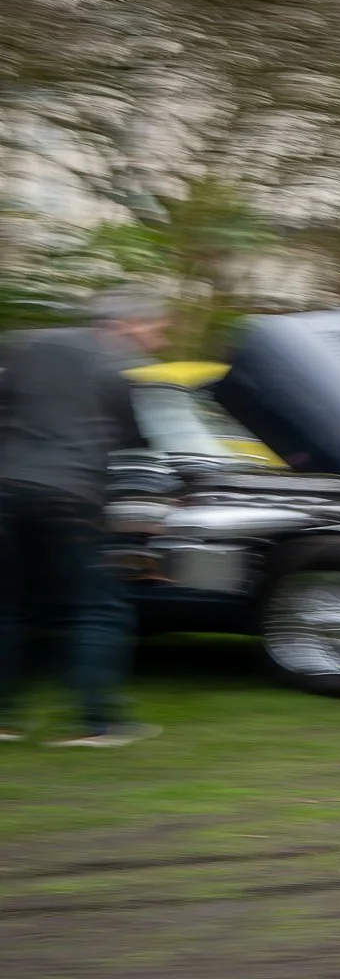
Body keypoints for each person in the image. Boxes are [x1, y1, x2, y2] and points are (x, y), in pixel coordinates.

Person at [0, 289, 167, 746]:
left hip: (8, 492)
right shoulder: (115, 367)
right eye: (155, 329)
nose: (156, 340)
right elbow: (133, 439)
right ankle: (100, 723)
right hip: (71, 497)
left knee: (10, 607)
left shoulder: (29, 346)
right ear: (128, 324)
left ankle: (3, 719)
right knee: (99, 608)